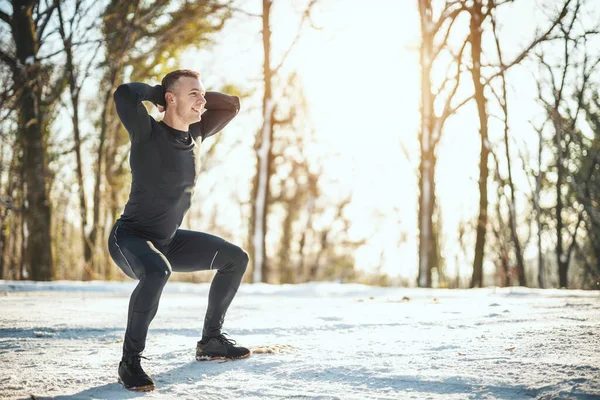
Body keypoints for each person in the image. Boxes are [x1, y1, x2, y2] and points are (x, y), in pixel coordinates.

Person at [107, 69, 250, 392]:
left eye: (202, 94)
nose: (202, 100)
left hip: (168, 241)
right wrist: (159, 94)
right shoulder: (146, 132)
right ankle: (130, 362)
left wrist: (195, 95)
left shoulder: (196, 133)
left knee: (235, 258)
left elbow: (230, 105)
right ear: (169, 100)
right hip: (130, 238)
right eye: (193, 94)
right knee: (158, 271)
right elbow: (125, 95)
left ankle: (211, 341)